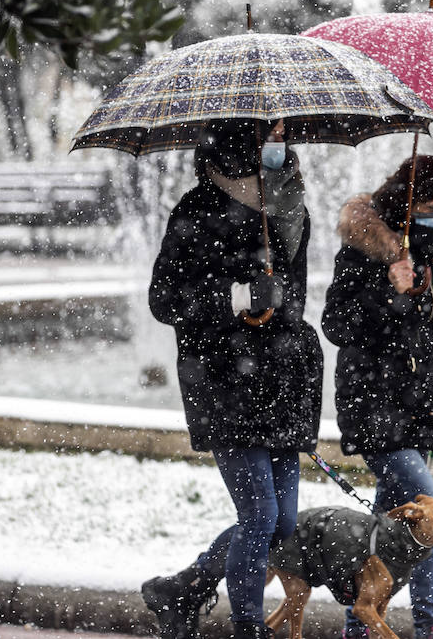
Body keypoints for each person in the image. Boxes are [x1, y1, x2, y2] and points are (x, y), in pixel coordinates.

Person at [143, 118, 322, 639]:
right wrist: (235, 298)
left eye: (285, 134)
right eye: (271, 134)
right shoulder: (197, 211)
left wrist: (282, 319)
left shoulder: (290, 208)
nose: (280, 145)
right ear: (241, 142)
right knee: (261, 516)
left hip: (280, 382)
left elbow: (296, 299)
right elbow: (164, 300)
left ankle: (183, 587)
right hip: (225, 381)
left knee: (282, 524)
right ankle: (247, 627)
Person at [322, 154, 433, 639]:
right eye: (431, 204)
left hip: (429, 397)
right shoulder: (364, 250)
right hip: (375, 402)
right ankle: (431, 624)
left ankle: (358, 623)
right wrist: (390, 292)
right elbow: (337, 324)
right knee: (430, 513)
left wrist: (430, 314)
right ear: (405, 206)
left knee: (403, 517)